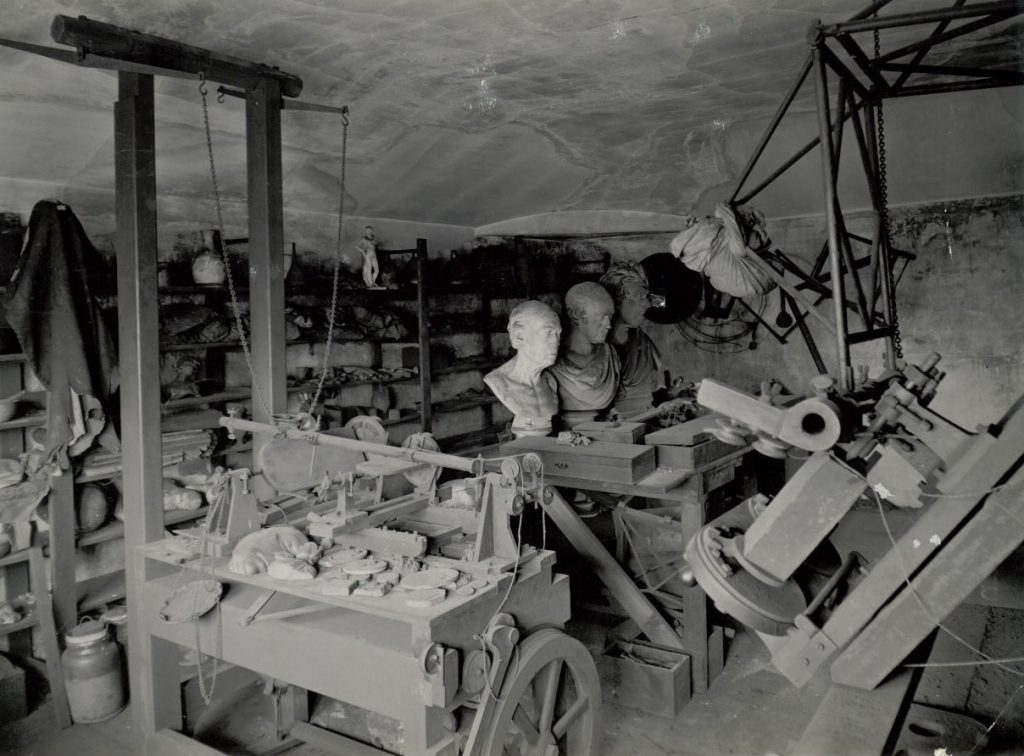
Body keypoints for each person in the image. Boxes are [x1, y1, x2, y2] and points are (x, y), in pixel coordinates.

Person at [484, 301, 561, 437]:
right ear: (519, 336)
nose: (555, 342)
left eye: (558, 334)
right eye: (548, 332)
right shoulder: (499, 382)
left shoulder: (550, 382)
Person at [549, 281, 620, 428]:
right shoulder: (552, 362)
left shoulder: (611, 355)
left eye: (610, 317)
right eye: (602, 317)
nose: (609, 325)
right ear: (578, 318)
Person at [600, 261, 663, 418]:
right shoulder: (597, 348)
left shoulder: (644, 343)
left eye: (646, 297)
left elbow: (648, 396)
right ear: (616, 301)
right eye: (639, 297)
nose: (647, 304)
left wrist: (669, 394)